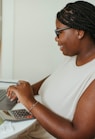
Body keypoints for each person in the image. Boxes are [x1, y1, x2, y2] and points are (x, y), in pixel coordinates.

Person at [7, 1, 95, 139]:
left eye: (58, 32)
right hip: (28, 128)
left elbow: (78, 135)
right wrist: (26, 90)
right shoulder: (73, 59)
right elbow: (53, 81)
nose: (56, 38)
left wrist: (29, 101)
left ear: (79, 32)